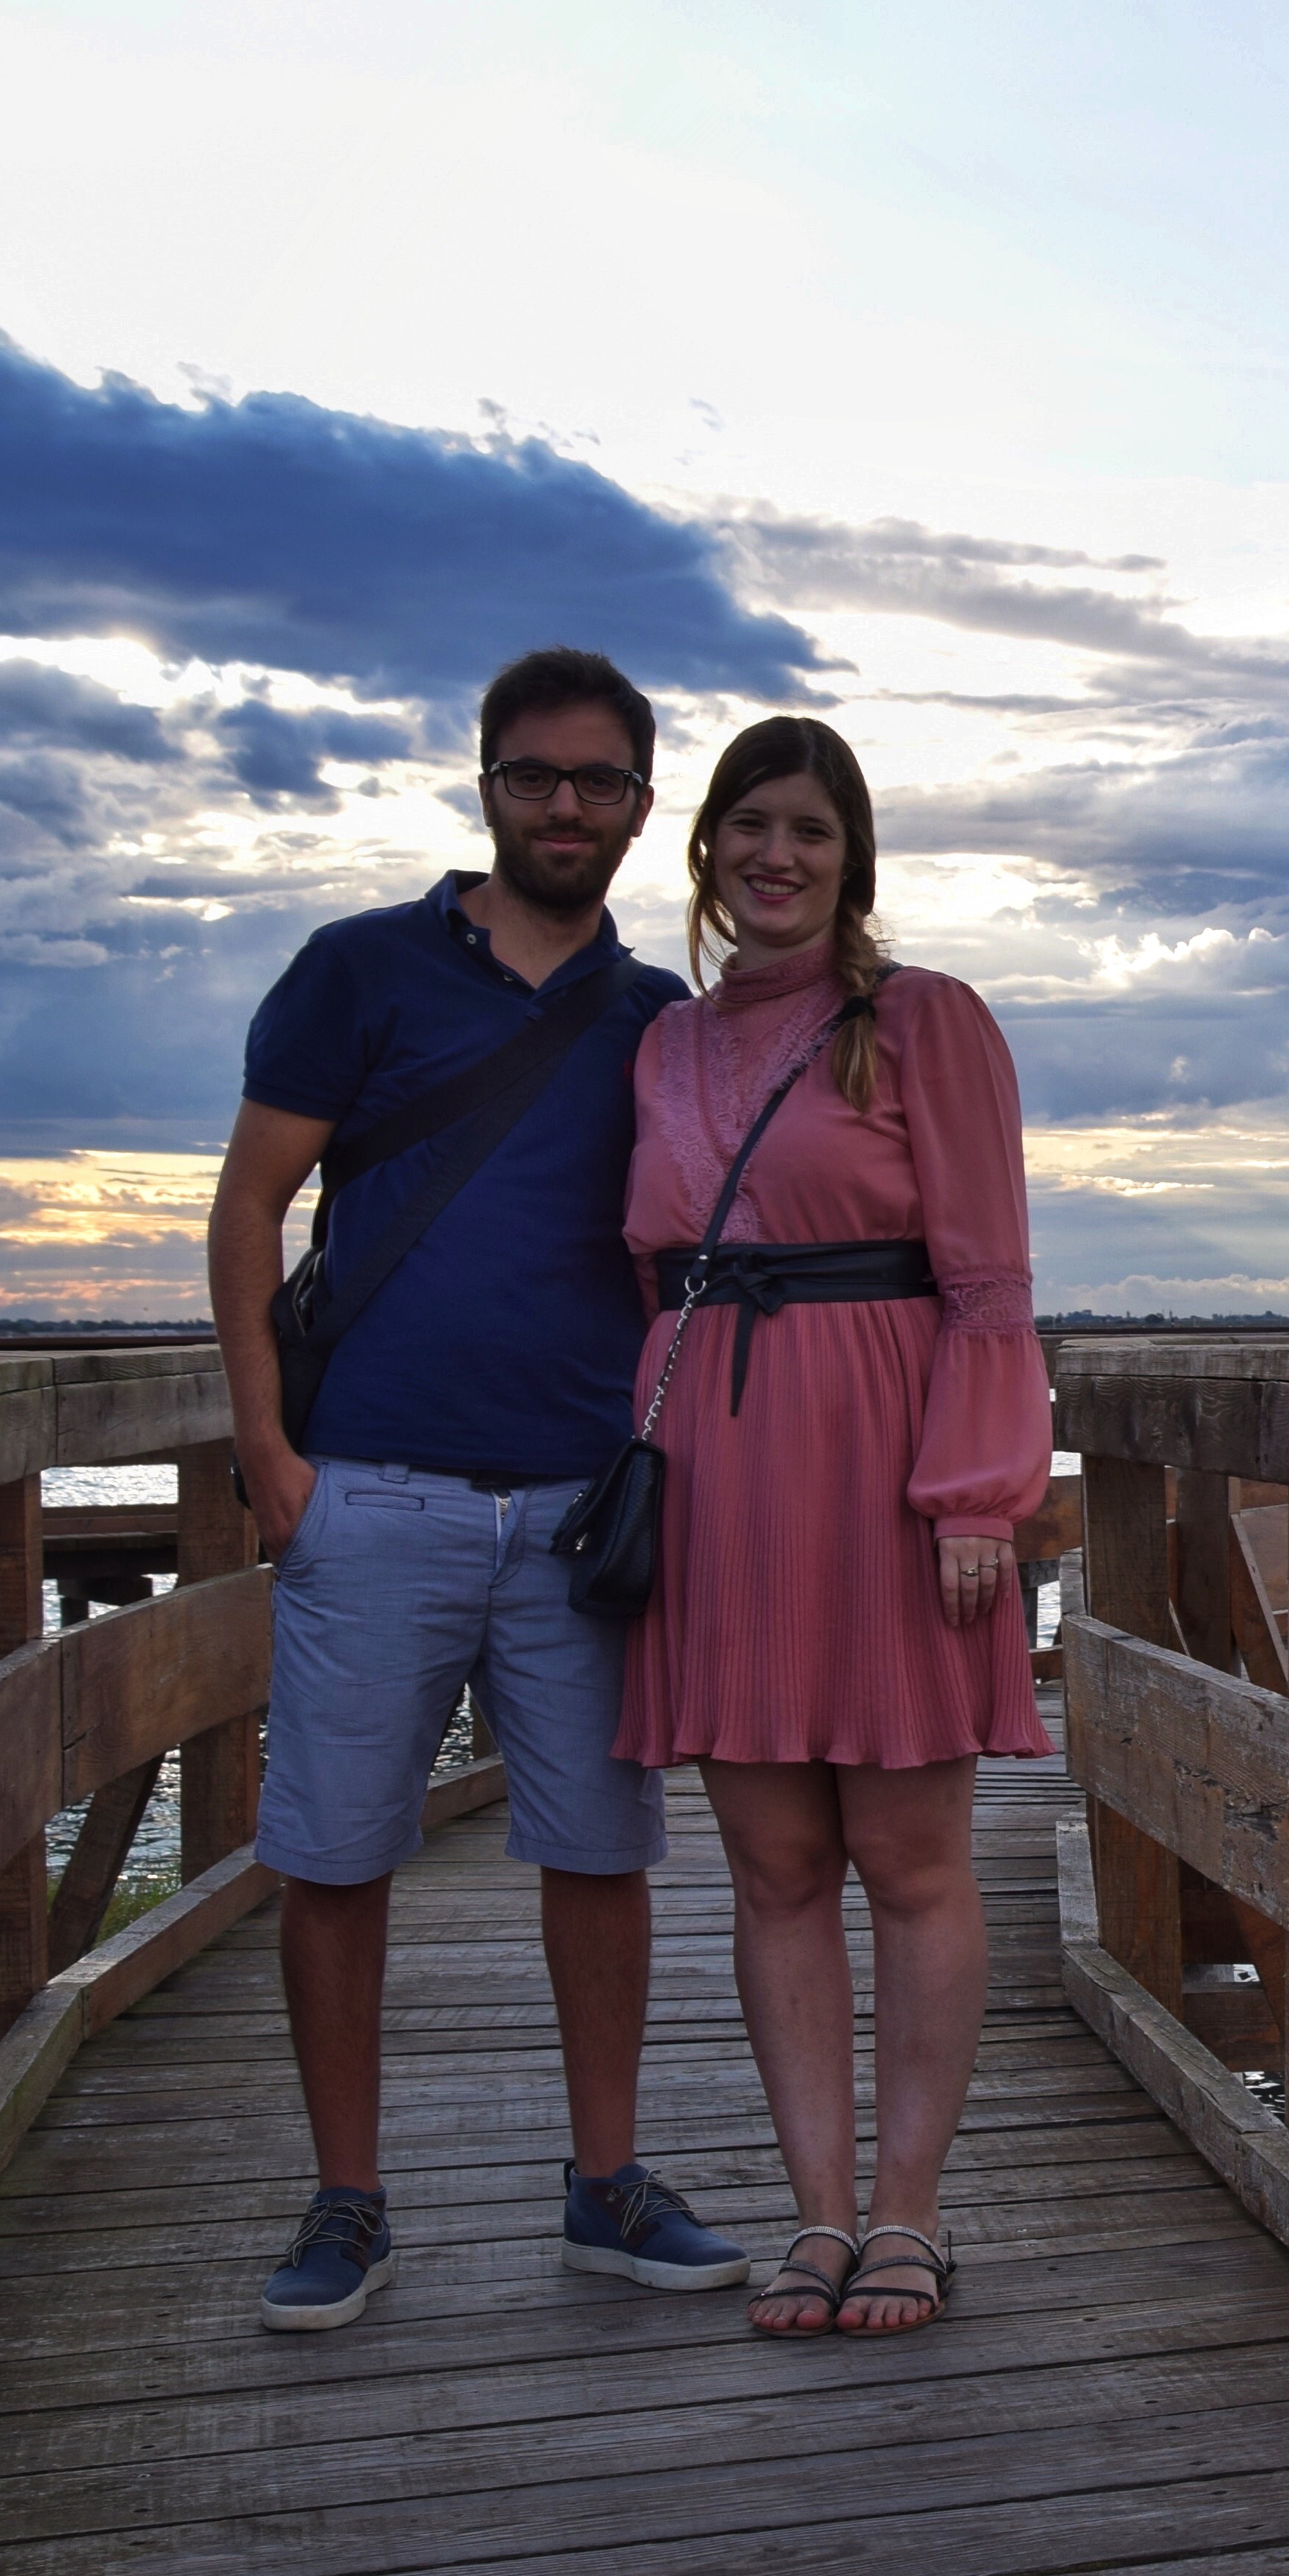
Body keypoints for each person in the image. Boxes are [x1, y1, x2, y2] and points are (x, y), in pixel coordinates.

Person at [209, 647, 753, 2330]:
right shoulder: (357, 972)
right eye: (535, 777)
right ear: (486, 786)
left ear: (643, 808)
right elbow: (246, 1215)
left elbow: (707, 1260)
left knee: (602, 1855)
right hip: (373, 1491)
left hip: (582, 1510)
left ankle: (606, 2187)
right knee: (338, 1858)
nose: (566, 807)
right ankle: (348, 2202)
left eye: (598, 782)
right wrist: (271, 1459)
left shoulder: (663, 1021)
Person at [617, 715, 1052, 2337]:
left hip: (883, 1458)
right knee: (776, 1862)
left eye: (807, 829)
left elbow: (990, 1281)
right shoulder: (662, 1045)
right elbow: (637, 1267)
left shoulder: (918, 1021)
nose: (774, 857)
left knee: (910, 1859)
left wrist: (976, 1493)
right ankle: (815, 2215)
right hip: (717, 1474)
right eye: (749, 826)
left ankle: (911, 2213)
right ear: (709, 849)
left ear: (850, 856)